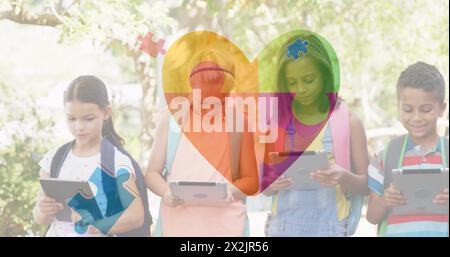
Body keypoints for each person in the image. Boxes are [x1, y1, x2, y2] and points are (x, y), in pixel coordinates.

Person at [262, 31, 369, 236]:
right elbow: (264, 186)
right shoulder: (276, 124)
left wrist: (343, 176)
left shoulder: (348, 122)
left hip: (331, 229)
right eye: (292, 83)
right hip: (282, 228)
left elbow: (367, 186)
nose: (301, 89)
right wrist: (272, 184)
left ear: (325, 74)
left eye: (309, 79)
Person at [33, 75, 146, 236]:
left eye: (88, 119)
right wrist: (43, 210)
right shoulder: (54, 158)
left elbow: (136, 216)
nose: (79, 127)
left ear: (106, 112)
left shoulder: (116, 161)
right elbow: (40, 217)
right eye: (71, 119)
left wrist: (99, 224)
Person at [366, 62, 449, 237]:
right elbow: (372, 216)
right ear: (398, 107)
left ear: (442, 109)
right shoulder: (385, 157)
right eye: (408, 110)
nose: (416, 118)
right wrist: (386, 200)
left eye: (426, 110)